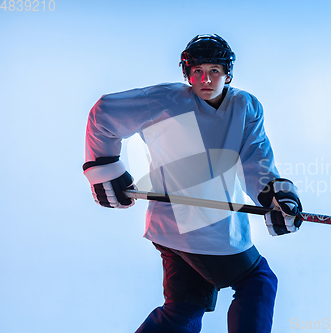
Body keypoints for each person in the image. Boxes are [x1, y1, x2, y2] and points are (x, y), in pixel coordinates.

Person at [83, 34, 303, 333]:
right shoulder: (163, 100)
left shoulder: (246, 106)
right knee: (258, 282)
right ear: (186, 74)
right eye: (197, 71)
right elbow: (104, 112)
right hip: (202, 230)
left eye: (214, 70)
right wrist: (107, 169)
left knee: (184, 309)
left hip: (173, 230)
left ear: (228, 73)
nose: (206, 79)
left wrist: (275, 197)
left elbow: (255, 159)